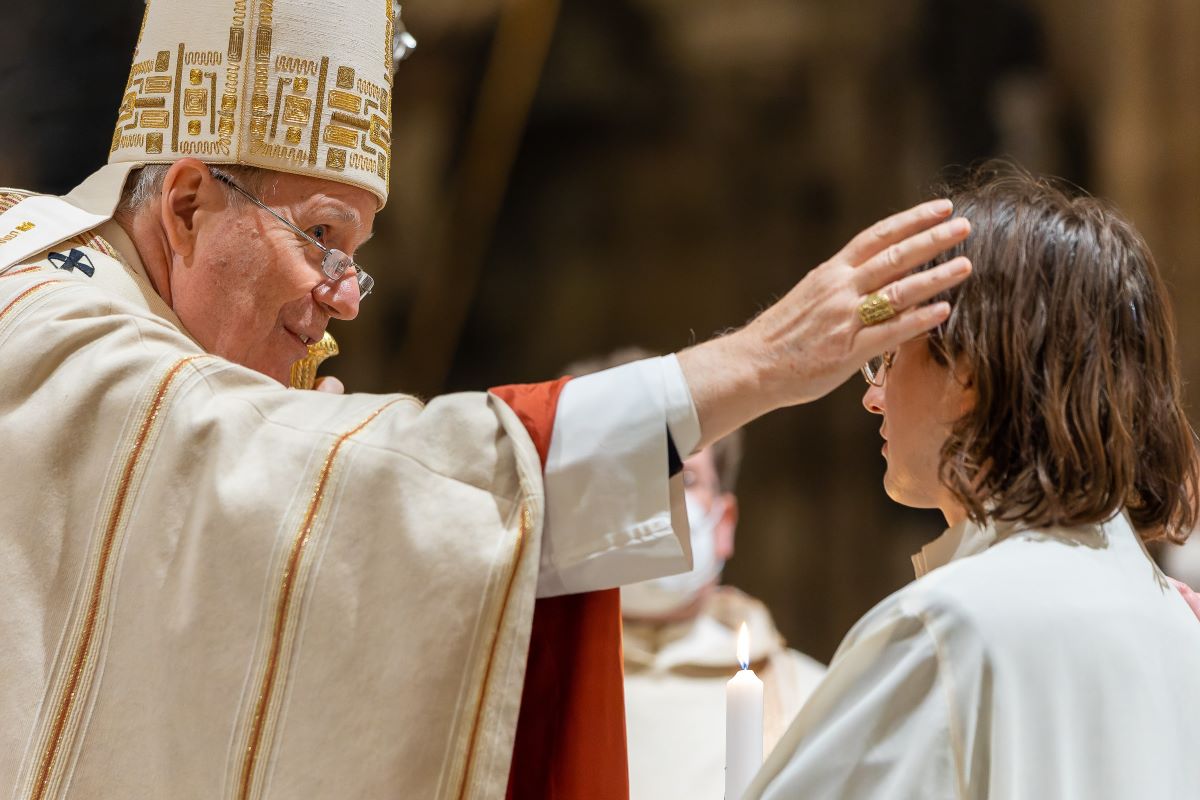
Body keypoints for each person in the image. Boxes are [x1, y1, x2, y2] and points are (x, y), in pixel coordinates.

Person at [0, 2, 972, 797]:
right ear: (183, 203)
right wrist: (757, 362)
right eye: (323, 235)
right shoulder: (53, 327)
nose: (342, 294)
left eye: (359, 256)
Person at [745, 162, 1200, 799]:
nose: (873, 395)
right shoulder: (1176, 625)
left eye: (887, 355)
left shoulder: (948, 628)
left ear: (969, 372)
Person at [567, 347, 825, 800]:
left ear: (724, 524)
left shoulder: (815, 702)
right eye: (621, 472)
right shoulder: (517, 690)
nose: (649, 500)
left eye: (681, 479)